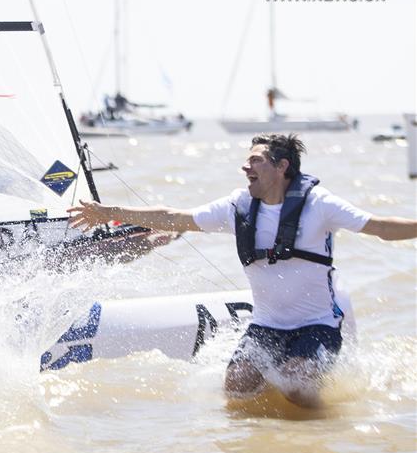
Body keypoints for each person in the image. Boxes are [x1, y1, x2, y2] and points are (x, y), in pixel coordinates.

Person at [68, 133, 417, 408]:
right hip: (267, 324)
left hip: (318, 324)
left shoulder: (319, 204)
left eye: (255, 160)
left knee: (297, 385)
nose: (245, 167)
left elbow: (381, 227)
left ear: (281, 167)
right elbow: (175, 217)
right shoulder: (238, 206)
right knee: (237, 385)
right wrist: (108, 211)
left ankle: (321, 436)